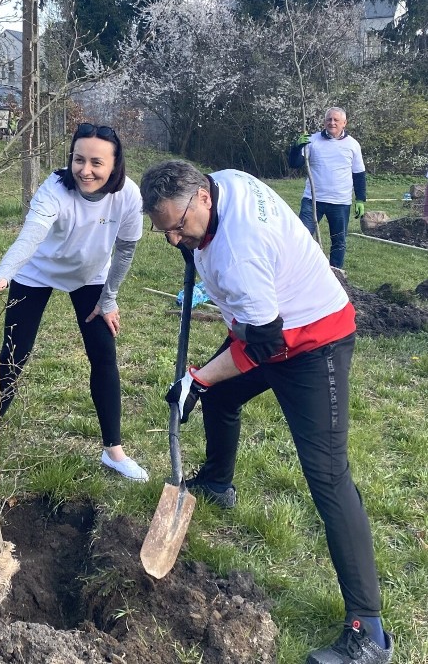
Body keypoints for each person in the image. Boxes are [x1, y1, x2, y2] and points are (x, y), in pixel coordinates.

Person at [141, 160, 392, 664]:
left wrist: (199, 376)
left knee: (327, 475)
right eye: (163, 230)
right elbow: (251, 325)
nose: (172, 240)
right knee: (221, 396)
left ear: (202, 200)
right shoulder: (224, 183)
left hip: (312, 341)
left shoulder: (240, 251)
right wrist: (192, 246)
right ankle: (216, 483)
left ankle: (369, 633)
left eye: (177, 227)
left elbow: (266, 346)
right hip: (265, 322)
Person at [0, 123, 148, 482]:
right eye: (78, 159)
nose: (86, 170)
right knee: (12, 357)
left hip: (90, 277)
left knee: (104, 355)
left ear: (115, 166)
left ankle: (113, 451)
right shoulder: (54, 189)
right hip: (37, 273)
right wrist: (2, 276)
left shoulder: (129, 196)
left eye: (96, 163)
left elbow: (127, 250)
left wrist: (110, 297)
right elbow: (30, 237)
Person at [289, 107, 367, 269]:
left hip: (340, 202)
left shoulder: (353, 145)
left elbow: (359, 174)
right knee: (300, 237)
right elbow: (294, 164)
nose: (332, 123)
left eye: (336, 120)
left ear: (344, 123)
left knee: (339, 241)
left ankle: (336, 275)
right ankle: (297, 271)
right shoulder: (312, 140)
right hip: (313, 200)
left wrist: (360, 199)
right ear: (324, 122)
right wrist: (296, 147)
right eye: (329, 119)